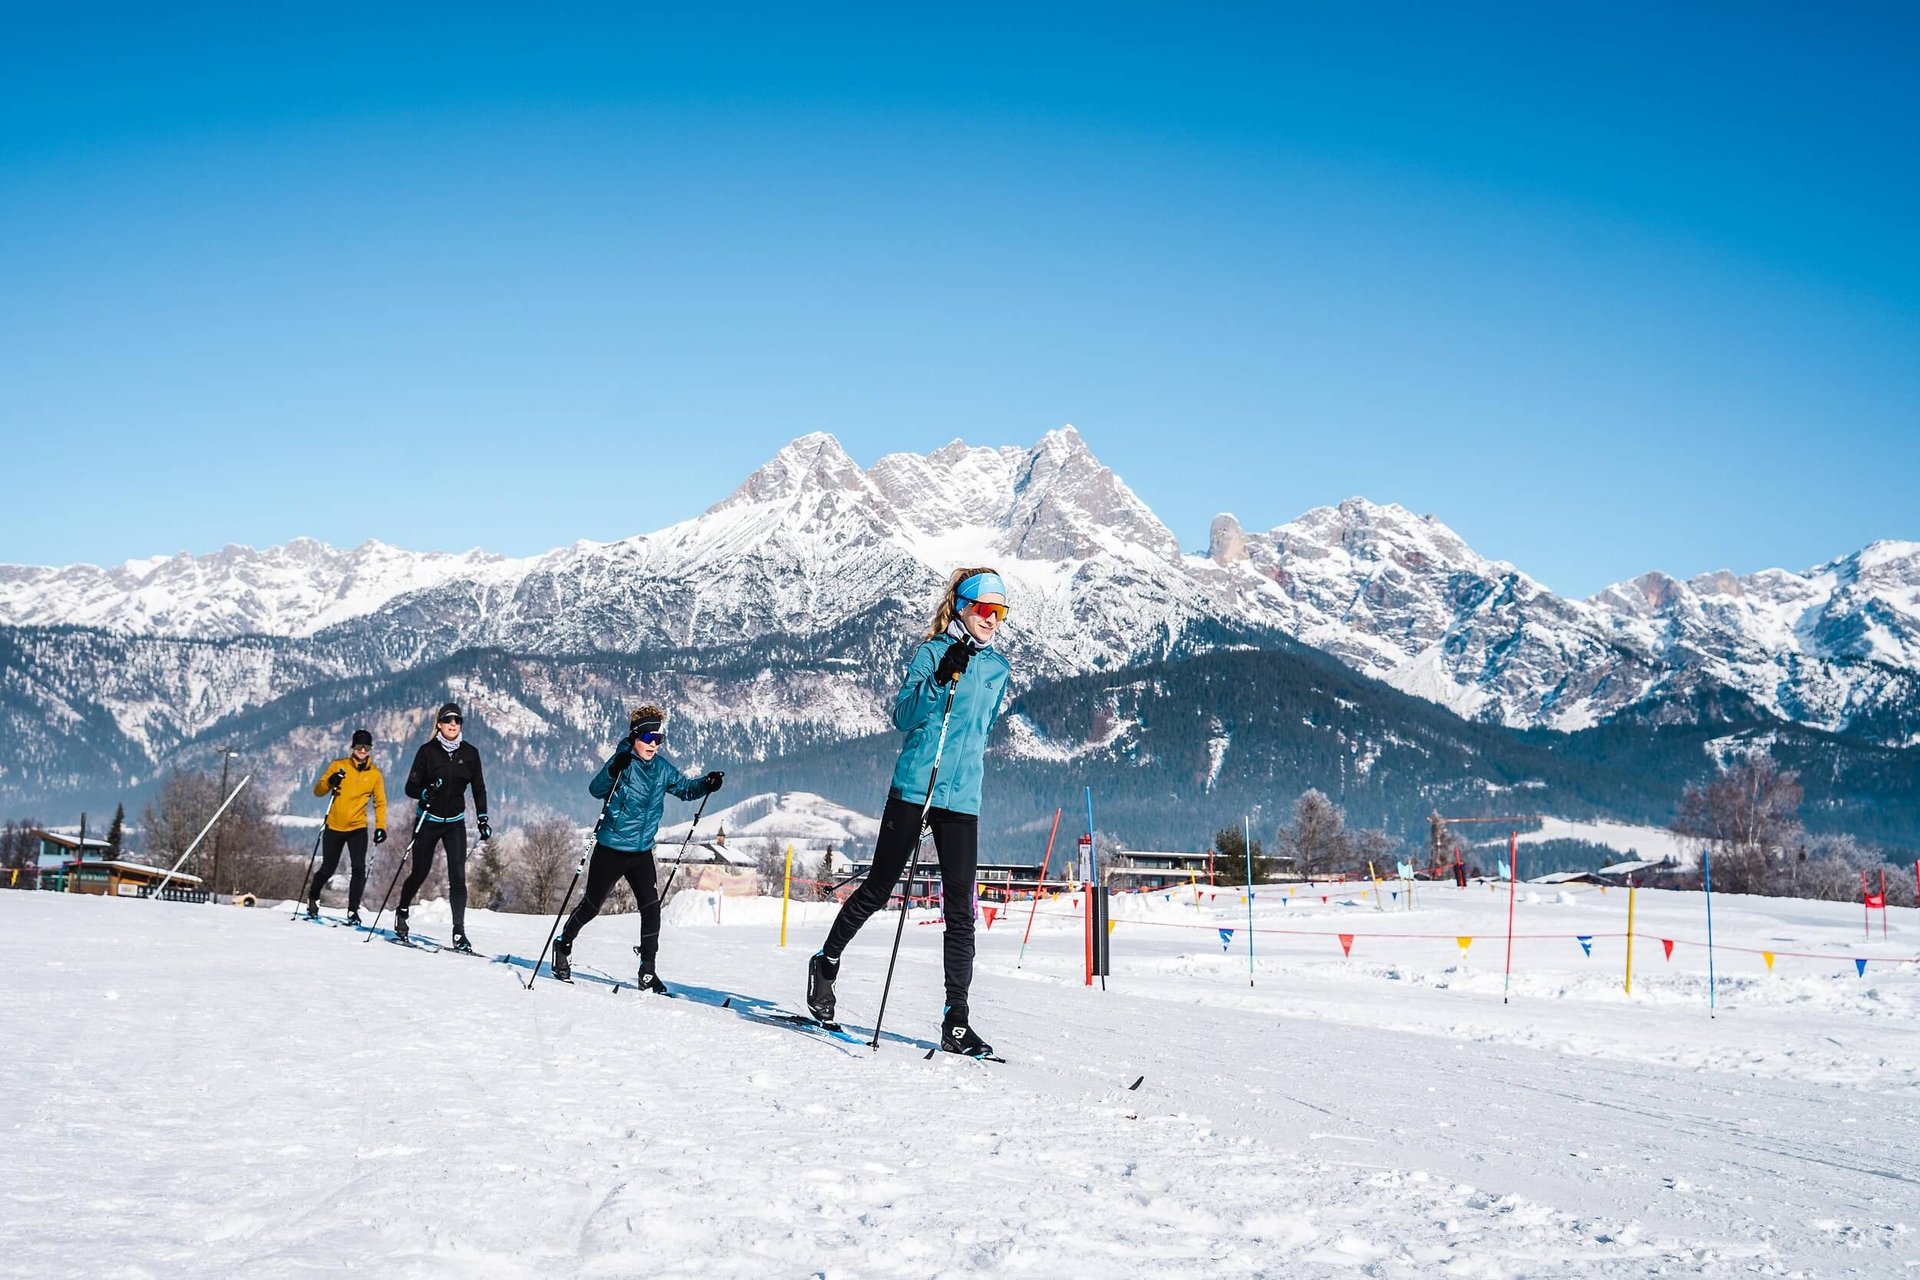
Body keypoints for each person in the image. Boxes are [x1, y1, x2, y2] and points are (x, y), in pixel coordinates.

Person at [807, 567, 1011, 1058]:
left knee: (961, 908)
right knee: (880, 886)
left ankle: (956, 1020)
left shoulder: (998, 669)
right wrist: (941, 677)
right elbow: (903, 715)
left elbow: (980, 733)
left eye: (1000, 613)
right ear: (962, 607)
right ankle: (826, 962)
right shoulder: (932, 653)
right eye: (985, 609)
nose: (992, 620)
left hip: (962, 799)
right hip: (916, 787)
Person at [548, 705, 723, 993]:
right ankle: (563, 943)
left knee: (651, 910)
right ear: (635, 736)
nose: (654, 744)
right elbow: (596, 789)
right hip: (611, 849)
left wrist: (707, 783)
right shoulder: (622, 762)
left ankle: (647, 971)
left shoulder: (662, 769)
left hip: (641, 852)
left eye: (659, 739)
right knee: (592, 906)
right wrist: (613, 769)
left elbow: (686, 789)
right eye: (649, 737)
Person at [396, 702, 490, 952]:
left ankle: (459, 933)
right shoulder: (427, 751)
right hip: (429, 821)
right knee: (420, 872)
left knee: (458, 877)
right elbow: (410, 788)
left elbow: (479, 788)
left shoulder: (470, 753)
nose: (453, 724)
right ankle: (402, 911)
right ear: (439, 723)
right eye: (448, 720)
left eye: (457, 720)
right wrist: (426, 791)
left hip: (455, 823)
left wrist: (482, 818)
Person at [307, 728, 387, 924]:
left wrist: (381, 827)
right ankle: (313, 897)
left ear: (370, 750)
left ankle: (353, 911)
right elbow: (318, 791)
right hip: (334, 826)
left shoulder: (375, 775)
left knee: (359, 868)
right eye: (359, 746)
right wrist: (331, 782)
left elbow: (380, 802)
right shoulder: (338, 766)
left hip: (358, 827)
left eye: (366, 747)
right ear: (353, 747)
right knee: (328, 868)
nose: (362, 750)